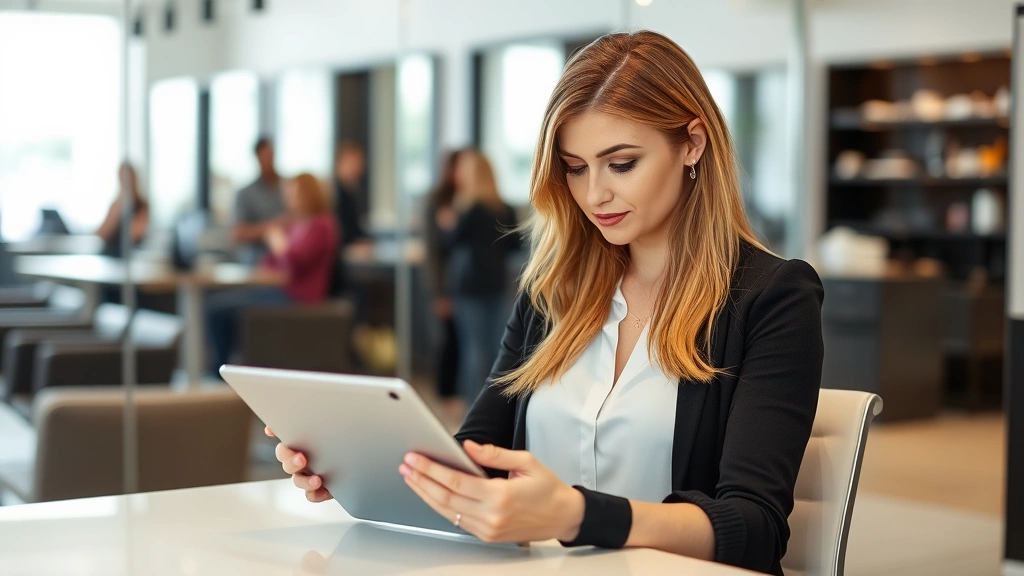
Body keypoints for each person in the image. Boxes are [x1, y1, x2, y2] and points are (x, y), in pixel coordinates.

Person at [271, 30, 823, 576]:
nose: (593, 194)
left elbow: (754, 528)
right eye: (576, 168)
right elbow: (478, 456)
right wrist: (359, 461)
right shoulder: (552, 292)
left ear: (693, 144)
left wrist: (577, 514)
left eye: (622, 163)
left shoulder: (773, 298)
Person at [207, 173, 338, 373]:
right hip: (282, 291)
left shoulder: (323, 225)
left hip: (300, 297)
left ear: (307, 194)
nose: (289, 199)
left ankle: (219, 373)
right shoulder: (298, 224)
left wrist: (278, 243)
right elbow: (274, 262)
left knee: (219, 311)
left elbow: (295, 262)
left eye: (294, 194)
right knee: (218, 306)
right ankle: (225, 370)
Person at [438, 149, 520, 404]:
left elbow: (449, 244)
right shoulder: (505, 208)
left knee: (473, 352)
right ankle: (495, 409)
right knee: (498, 351)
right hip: (497, 284)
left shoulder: (469, 208)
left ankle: (473, 413)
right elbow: (515, 246)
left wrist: (447, 224)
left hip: (470, 287)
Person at [424, 149, 466, 417]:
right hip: (445, 281)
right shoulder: (436, 199)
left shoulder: (464, 197)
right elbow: (433, 251)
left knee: (463, 340)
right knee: (447, 339)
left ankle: (458, 393)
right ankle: (444, 394)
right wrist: (439, 292)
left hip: (464, 283)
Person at [233, 137, 287, 265]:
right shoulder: (246, 193)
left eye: (271, 155)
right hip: (257, 260)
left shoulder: (288, 187)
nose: (269, 160)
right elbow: (237, 233)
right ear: (257, 158)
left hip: (288, 257)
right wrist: (272, 227)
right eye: (264, 156)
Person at [96, 162, 149, 258]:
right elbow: (102, 233)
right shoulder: (116, 204)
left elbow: (135, 234)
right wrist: (117, 210)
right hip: (109, 255)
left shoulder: (141, 205)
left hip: (130, 256)